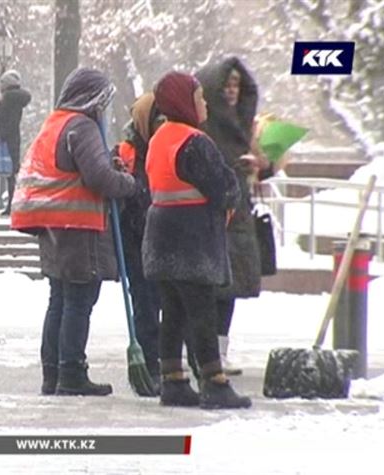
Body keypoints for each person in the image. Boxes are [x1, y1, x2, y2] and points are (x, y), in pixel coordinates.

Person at [11, 67, 136, 397]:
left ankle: (52, 373)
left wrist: (107, 162)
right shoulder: (83, 126)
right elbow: (99, 179)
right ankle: (72, 372)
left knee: (60, 300)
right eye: (103, 101)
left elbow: (74, 167)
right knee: (79, 301)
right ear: (92, 99)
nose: (104, 109)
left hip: (53, 227)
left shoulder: (56, 123)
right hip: (79, 228)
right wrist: (127, 182)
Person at [142, 71, 251, 409]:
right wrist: (235, 183)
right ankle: (214, 382)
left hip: (161, 236)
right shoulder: (194, 141)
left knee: (173, 310)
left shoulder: (160, 138)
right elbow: (223, 189)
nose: (204, 103)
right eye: (199, 97)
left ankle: (173, 380)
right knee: (202, 311)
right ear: (184, 102)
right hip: (192, 240)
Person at [196, 57, 272, 375]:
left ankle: (220, 351)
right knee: (208, 288)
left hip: (239, 214)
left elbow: (261, 164)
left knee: (231, 287)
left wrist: (260, 164)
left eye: (236, 85)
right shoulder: (203, 124)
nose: (231, 91)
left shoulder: (244, 124)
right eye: (226, 85)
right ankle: (205, 353)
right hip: (210, 215)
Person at [114, 92, 166, 390]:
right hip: (136, 238)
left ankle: (163, 361)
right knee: (145, 303)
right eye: (158, 119)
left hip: (164, 236)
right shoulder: (128, 151)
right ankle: (150, 363)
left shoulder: (170, 147)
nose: (163, 125)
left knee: (163, 301)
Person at [0, 70, 32, 215]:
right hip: (12, 140)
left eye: (2, 82)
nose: (0, 86)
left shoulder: (8, 98)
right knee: (9, 173)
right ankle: (10, 205)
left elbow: (6, 121)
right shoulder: (15, 100)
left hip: (4, 140)